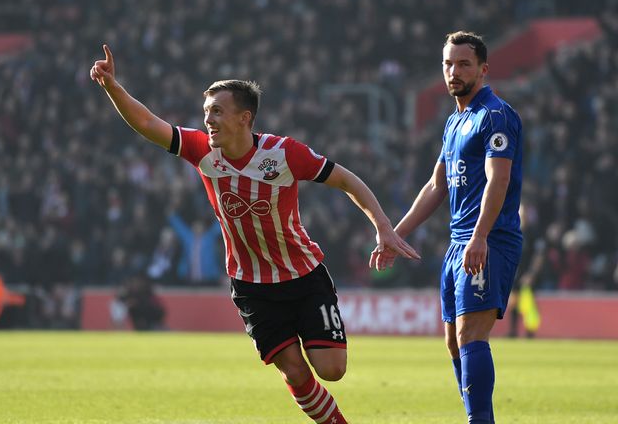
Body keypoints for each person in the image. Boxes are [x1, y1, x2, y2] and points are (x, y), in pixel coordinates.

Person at [90, 44, 419, 423]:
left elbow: (347, 180)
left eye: (217, 111)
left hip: (304, 275)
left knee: (332, 370)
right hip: (252, 285)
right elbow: (148, 124)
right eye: (206, 112)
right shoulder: (202, 152)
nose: (208, 120)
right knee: (295, 372)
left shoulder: (284, 154)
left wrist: (382, 227)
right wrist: (112, 85)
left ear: (245, 118)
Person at [371, 31, 523, 423]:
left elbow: (499, 180)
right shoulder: (456, 121)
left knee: (471, 335)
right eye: (448, 64)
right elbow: (437, 184)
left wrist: (480, 236)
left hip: (488, 240)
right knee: (454, 345)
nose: (453, 72)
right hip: (460, 242)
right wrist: (395, 233)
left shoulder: (495, 116)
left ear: (484, 69)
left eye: (463, 64)